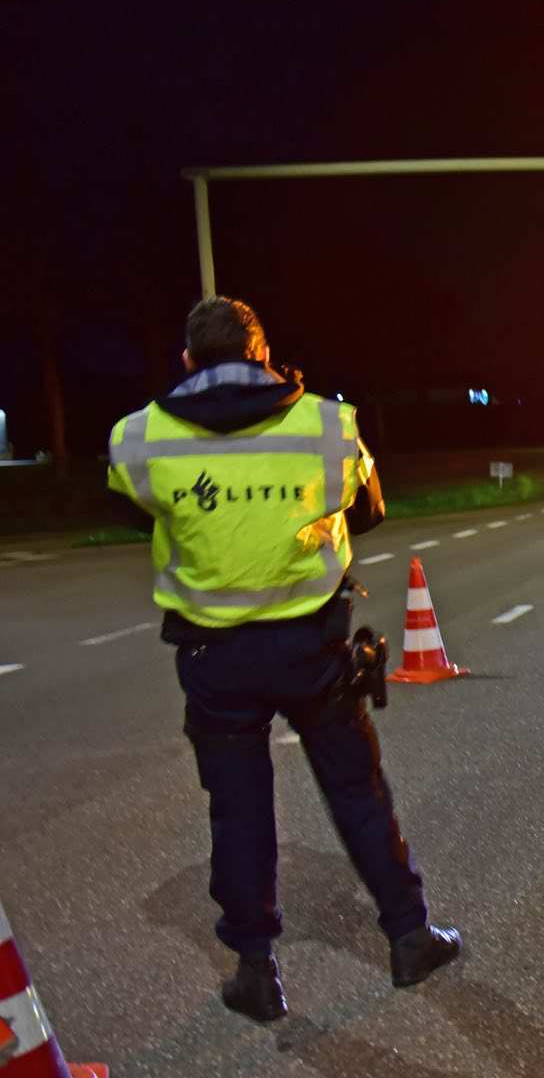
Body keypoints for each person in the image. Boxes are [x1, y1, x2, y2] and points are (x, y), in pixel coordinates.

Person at [106, 296, 460, 1023]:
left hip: (215, 656)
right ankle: (408, 936)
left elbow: (134, 512)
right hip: (314, 650)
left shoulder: (139, 436)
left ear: (187, 361)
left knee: (237, 809)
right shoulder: (328, 423)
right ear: (263, 354)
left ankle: (256, 970)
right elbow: (370, 511)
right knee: (358, 793)